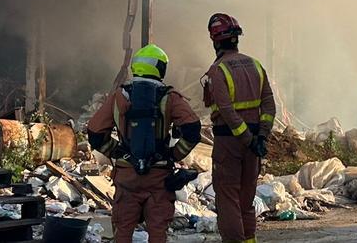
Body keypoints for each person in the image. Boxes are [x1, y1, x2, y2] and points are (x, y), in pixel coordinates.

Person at [86, 44, 201, 243]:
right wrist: (174, 155)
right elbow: (192, 129)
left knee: (123, 231)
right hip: (159, 177)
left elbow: (95, 132)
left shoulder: (118, 97)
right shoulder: (169, 98)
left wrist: (117, 152)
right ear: (160, 68)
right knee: (157, 231)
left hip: (127, 175)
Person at [202, 13, 276, 243]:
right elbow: (269, 105)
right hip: (253, 143)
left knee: (228, 200)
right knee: (246, 200)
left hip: (230, 142)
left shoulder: (218, 71)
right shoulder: (255, 65)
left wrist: (247, 138)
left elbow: (226, 111)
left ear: (215, 41)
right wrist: (260, 138)